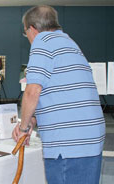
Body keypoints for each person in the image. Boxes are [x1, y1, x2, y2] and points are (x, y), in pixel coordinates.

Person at [12, 5, 105, 184]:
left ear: (32, 28)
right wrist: (33, 119)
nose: (28, 39)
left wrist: (23, 127)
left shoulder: (42, 42)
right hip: (89, 139)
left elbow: (33, 91)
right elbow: (59, 94)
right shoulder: (69, 43)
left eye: (26, 34)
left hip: (69, 143)